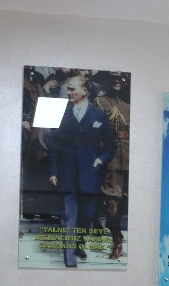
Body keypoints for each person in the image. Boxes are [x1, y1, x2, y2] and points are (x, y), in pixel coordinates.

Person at [48, 74, 117, 267]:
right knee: (67, 217)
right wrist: (53, 171)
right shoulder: (61, 114)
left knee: (87, 216)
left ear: (84, 91)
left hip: (90, 176)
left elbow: (111, 146)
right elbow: (53, 145)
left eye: (72, 89)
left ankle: (79, 243)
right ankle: (70, 260)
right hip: (66, 174)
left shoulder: (99, 116)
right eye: (68, 89)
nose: (69, 92)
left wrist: (99, 161)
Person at [92, 71, 131, 260]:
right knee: (112, 203)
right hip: (111, 158)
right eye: (113, 79)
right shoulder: (100, 102)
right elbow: (94, 130)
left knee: (125, 202)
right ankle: (117, 241)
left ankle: (113, 227)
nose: (117, 82)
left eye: (120, 79)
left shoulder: (132, 103)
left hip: (131, 157)